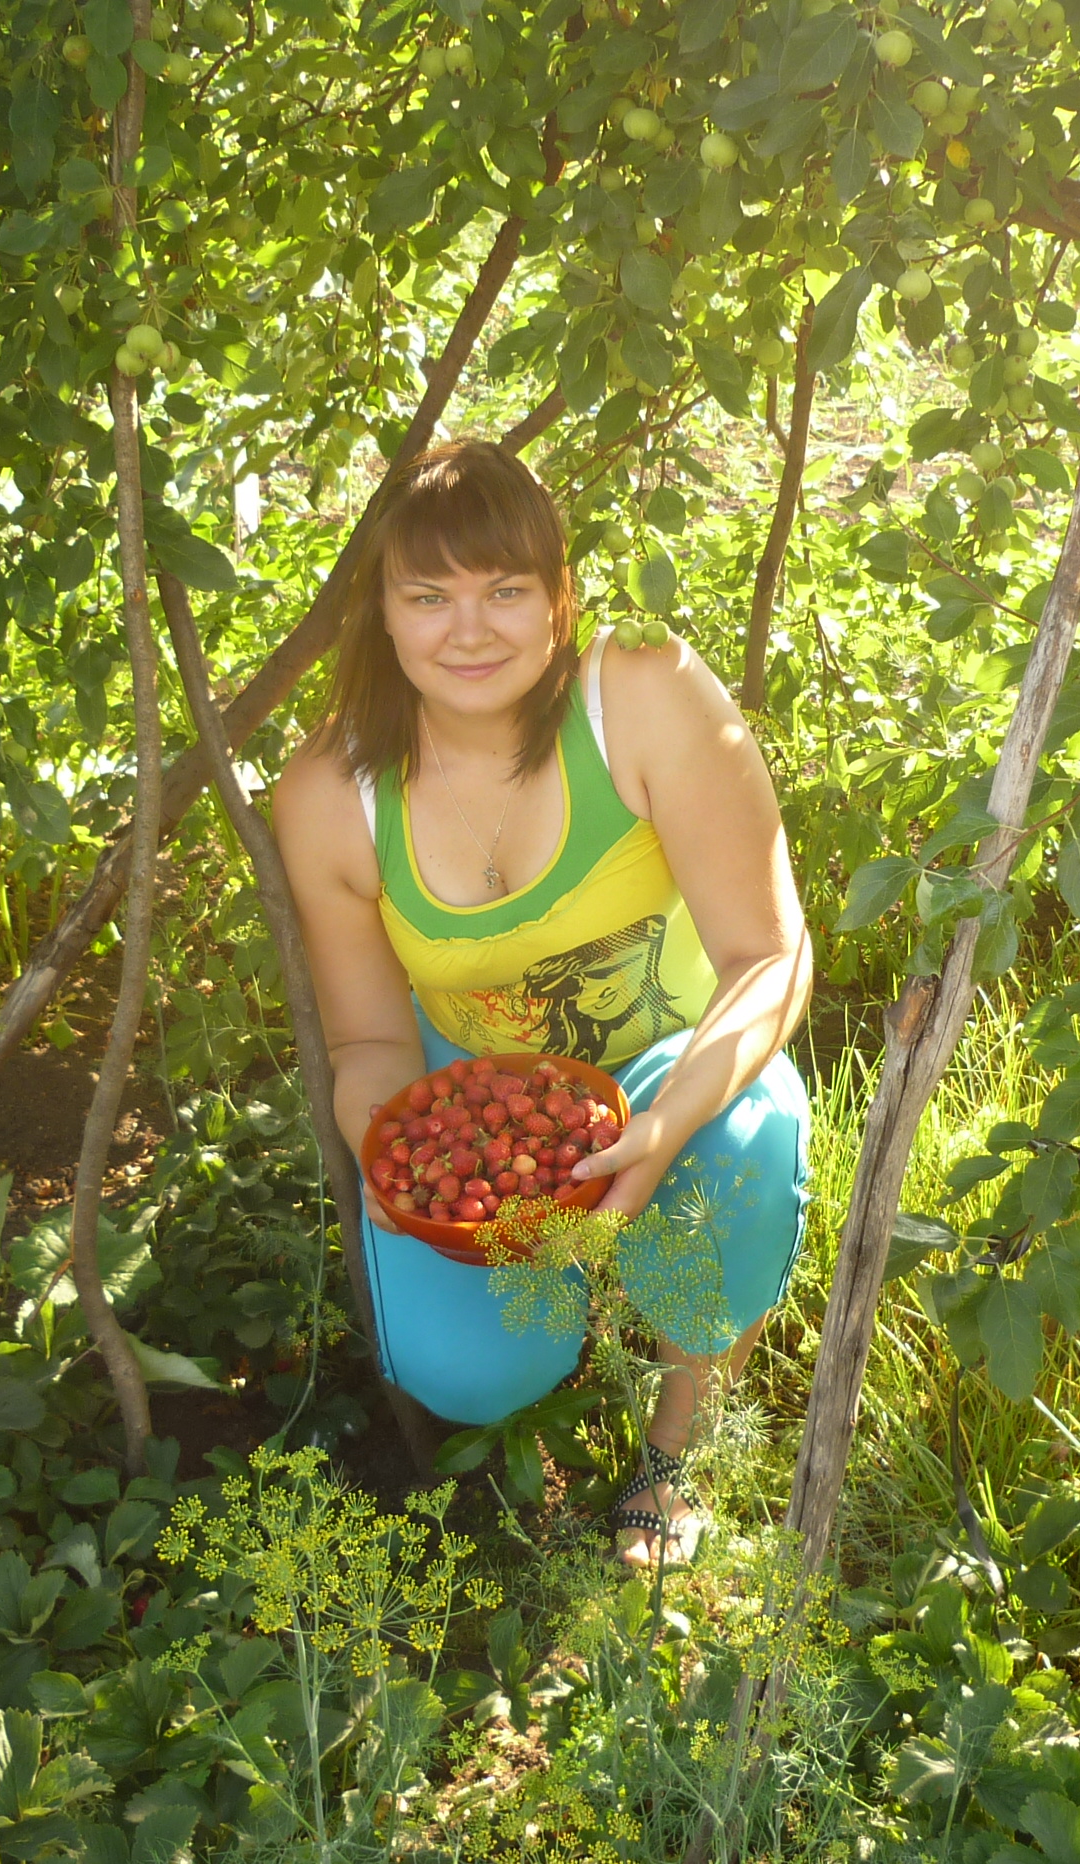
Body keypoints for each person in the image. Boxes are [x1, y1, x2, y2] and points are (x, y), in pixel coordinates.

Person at [274, 439, 814, 1566]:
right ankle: (559, 1312)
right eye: (429, 597)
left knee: (745, 1147)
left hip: (671, 1058)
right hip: (481, 1100)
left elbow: (767, 956)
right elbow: (369, 1038)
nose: (469, 631)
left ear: (560, 596)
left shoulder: (642, 696)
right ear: (381, 614)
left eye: (505, 591)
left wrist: (657, 1133)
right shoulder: (333, 791)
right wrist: (394, 1155)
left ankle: (676, 1446)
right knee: (470, 1373)